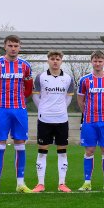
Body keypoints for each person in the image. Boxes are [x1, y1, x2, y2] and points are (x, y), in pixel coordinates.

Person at [0, 34, 33, 194]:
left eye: (16, 46)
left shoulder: (25, 66)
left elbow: (28, 89)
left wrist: (18, 100)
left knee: (20, 144)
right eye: (10, 45)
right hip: (1, 110)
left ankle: (20, 183)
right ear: (5, 46)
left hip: (19, 109)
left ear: (20, 47)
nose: (13, 48)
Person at [31, 49, 75, 193]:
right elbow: (36, 96)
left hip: (62, 119)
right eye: (52, 59)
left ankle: (62, 183)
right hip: (45, 119)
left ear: (61, 60)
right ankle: (40, 184)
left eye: (58, 59)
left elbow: (68, 98)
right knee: (42, 151)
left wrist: (60, 109)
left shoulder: (68, 78)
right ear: (48, 60)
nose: (55, 61)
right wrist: (43, 109)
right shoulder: (40, 77)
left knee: (62, 152)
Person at [77, 50, 104, 191]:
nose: (97, 63)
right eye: (95, 61)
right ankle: (87, 182)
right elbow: (80, 100)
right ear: (91, 62)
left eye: (100, 61)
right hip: (89, 121)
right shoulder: (85, 80)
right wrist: (87, 113)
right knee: (89, 150)